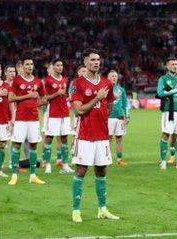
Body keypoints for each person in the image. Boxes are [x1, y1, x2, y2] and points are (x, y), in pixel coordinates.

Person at [70, 49, 120, 223]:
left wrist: (101, 107)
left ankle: (103, 209)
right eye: (92, 60)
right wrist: (96, 98)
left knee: (101, 170)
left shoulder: (107, 83)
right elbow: (79, 109)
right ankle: (76, 211)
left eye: (98, 59)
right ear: (85, 62)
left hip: (102, 135)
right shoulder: (79, 83)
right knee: (81, 170)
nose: (96, 62)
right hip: (85, 134)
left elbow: (110, 106)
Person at [7, 58, 47, 185]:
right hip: (20, 119)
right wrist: (27, 97)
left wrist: (37, 103)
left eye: (31, 64)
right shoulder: (17, 81)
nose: (30, 66)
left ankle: (33, 176)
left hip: (34, 119)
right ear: (23, 66)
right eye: (27, 64)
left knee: (33, 146)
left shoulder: (38, 81)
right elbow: (10, 98)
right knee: (17, 145)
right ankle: (14, 175)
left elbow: (44, 99)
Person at [42, 59, 73, 174]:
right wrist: (57, 94)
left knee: (64, 138)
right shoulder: (47, 81)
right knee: (49, 138)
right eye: (58, 65)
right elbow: (45, 98)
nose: (60, 67)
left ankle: (65, 164)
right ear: (53, 67)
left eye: (61, 65)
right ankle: (48, 164)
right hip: (53, 113)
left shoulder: (65, 80)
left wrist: (67, 97)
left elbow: (64, 95)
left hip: (64, 112)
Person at [108, 70, 129, 166]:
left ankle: (119, 159)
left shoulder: (121, 90)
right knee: (108, 139)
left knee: (119, 139)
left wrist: (127, 116)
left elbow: (125, 104)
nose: (114, 78)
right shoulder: (105, 89)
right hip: (109, 117)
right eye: (112, 76)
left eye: (115, 76)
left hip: (120, 117)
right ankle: (106, 159)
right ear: (108, 77)